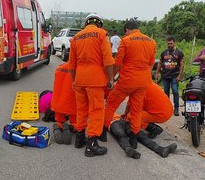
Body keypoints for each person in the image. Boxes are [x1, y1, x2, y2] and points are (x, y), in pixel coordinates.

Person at [104, 20, 156, 149]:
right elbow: (151, 63)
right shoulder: (151, 42)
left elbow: (118, 63)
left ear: (127, 30)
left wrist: (111, 78)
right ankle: (134, 138)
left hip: (128, 80)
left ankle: (102, 132)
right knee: (136, 109)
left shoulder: (126, 41)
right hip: (144, 81)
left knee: (111, 104)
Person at [68, 13, 114, 157]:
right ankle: (92, 145)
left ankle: (79, 139)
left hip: (80, 79)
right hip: (95, 80)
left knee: (81, 109)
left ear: (86, 23)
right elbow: (108, 60)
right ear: (99, 23)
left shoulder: (76, 37)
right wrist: (111, 79)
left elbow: (71, 64)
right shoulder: (101, 34)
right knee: (96, 110)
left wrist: (74, 81)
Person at [109, 114, 177, 159]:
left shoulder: (111, 108)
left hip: (124, 122)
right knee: (121, 135)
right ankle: (129, 149)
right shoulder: (101, 113)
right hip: (112, 123)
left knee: (140, 134)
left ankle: (161, 149)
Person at [155, 36, 184, 116]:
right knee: (166, 93)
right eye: (168, 43)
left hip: (175, 76)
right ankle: (167, 108)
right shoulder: (164, 52)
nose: (169, 45)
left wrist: (180, 75)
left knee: (175, 91)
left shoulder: (179, 52)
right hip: (165, 76)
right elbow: (160, 63)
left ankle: (176, 108)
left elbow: (182, 64)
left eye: (171, 43)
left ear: (174, 42)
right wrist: (157, 73)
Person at [51, 62, 77, 145]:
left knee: (59, 119)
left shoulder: (60, 67)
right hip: (72, 104)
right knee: (76, 122)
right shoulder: (78, 69)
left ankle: (58, 126)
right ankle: (71, 127)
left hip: (58, 103)